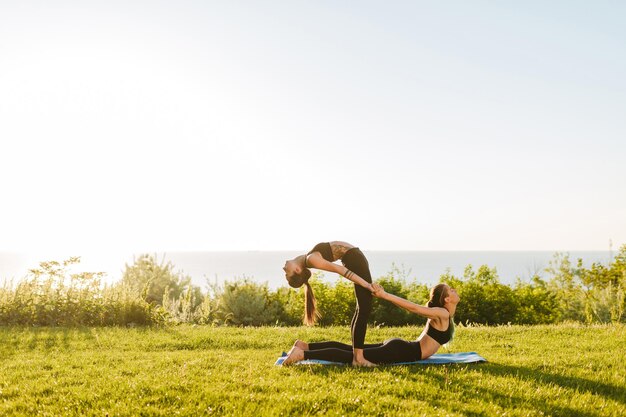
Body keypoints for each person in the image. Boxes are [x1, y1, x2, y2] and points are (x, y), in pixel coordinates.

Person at [282, 283, 460, 366]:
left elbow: (413, 308)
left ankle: (305, 346)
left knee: (351, 349)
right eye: (451, 290)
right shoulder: (442, 313)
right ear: (446, 299)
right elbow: (414, 308)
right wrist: (385, 295)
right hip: (403, 351)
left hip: (402, 347)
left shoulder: (444, 314)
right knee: (352, 358)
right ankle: (302, 354)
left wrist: (386, 296)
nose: (455, 290)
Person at [283, 241, 376, 366]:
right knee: (364, 309)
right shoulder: (312, 259)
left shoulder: (309, 258)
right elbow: (341, 270)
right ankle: (358, 358)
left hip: (354, 258)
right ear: (297, 269)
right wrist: (367, 285)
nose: (284, 269)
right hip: (355, 259)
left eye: (285, 273)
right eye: (287, 273)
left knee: (362, 309)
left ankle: (304, 347)